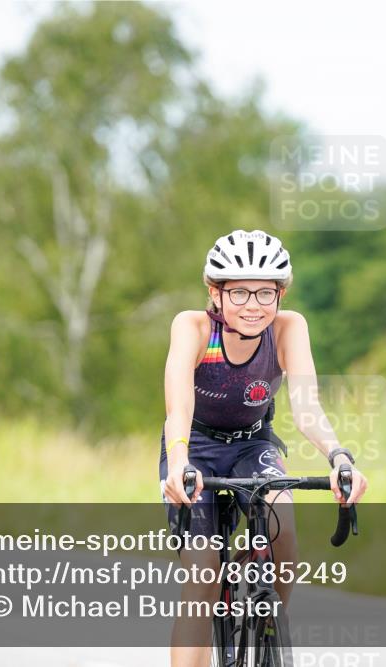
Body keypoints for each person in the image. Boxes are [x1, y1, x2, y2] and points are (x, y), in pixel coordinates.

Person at [158, 229, 368, 667]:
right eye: (239, 292)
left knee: (284, 530)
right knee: (202, 577)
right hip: (195, 447)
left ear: (281, 293)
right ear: (214, 292)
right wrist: (178, 463)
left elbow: (307, 407)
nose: (253, 305)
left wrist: (340, 457)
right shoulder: (192, 327)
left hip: (253, 444)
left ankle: (268, 629)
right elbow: (178, 405)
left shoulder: (289, 327)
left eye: (265, 293)